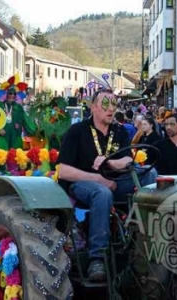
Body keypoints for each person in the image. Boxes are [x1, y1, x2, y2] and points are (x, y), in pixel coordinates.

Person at [58, 89, 157, 282]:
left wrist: (110, 163)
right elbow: (62, 170)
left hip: (115, 180)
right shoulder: (77, 131)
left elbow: (128, 158)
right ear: (93, 107)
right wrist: (97, 179)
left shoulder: (120, 131)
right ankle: (97, 257)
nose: (111, 109)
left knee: (150, 174)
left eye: (114, 105)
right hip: (83, 184)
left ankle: (145, 241)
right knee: (102, 193)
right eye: (105, 105)